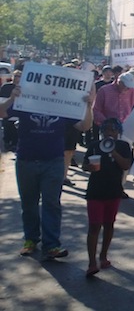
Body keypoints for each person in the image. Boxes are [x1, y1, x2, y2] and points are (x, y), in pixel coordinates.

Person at [0, 81, 95, 258]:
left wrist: (89, 106)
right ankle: (30, 240)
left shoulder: (62, 107)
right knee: (29, 203)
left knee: (52, 203)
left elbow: (84, 126)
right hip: (26, 160)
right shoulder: (25, 102)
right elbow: (1, 111)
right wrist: (12, 98)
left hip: (53, 161)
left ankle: (51, 245)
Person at [82, 118, 132, 277]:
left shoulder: (123, 146)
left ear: (118, 132)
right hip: (95, 192)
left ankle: (103, 256)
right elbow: (84, 165)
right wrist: (90, 167)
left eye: (113, 130)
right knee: (94, 226)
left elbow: (126, 165)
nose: (109, 133)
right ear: (102, 132)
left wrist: (112, 151)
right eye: (106, 130)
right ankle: (91, 262)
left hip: (113, 192)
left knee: (109, 224)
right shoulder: (94, 146)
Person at [1, 70, 21, 151]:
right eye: (16, 76)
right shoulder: (6, 87)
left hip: (18, 109)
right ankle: (6, 141)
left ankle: (14, 143)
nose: (17, 78)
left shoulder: (23, 87)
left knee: (16, 129)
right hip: (7, 108)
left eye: (19, 76)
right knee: (7, 125)